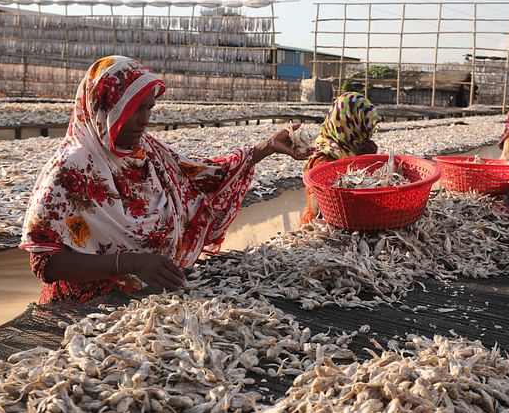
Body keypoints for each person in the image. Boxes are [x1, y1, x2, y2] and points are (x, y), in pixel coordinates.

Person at [20, 56, 307, 304]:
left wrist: (267, 147)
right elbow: (45, 261)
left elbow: (201, 177)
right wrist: (129, 263)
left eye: (149, 108)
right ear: (105, 106)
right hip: (82, 312)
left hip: (144, 305)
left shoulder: (147, 152)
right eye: (135, 108)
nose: (144, 120)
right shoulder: (71, 168)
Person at [300, 92, 380, 225]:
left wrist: (367, 161)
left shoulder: (350, 151)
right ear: (350, 125)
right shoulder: (325, 159)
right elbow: (324, 209)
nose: (368, 135)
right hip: (319, 227)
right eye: (364, 128)